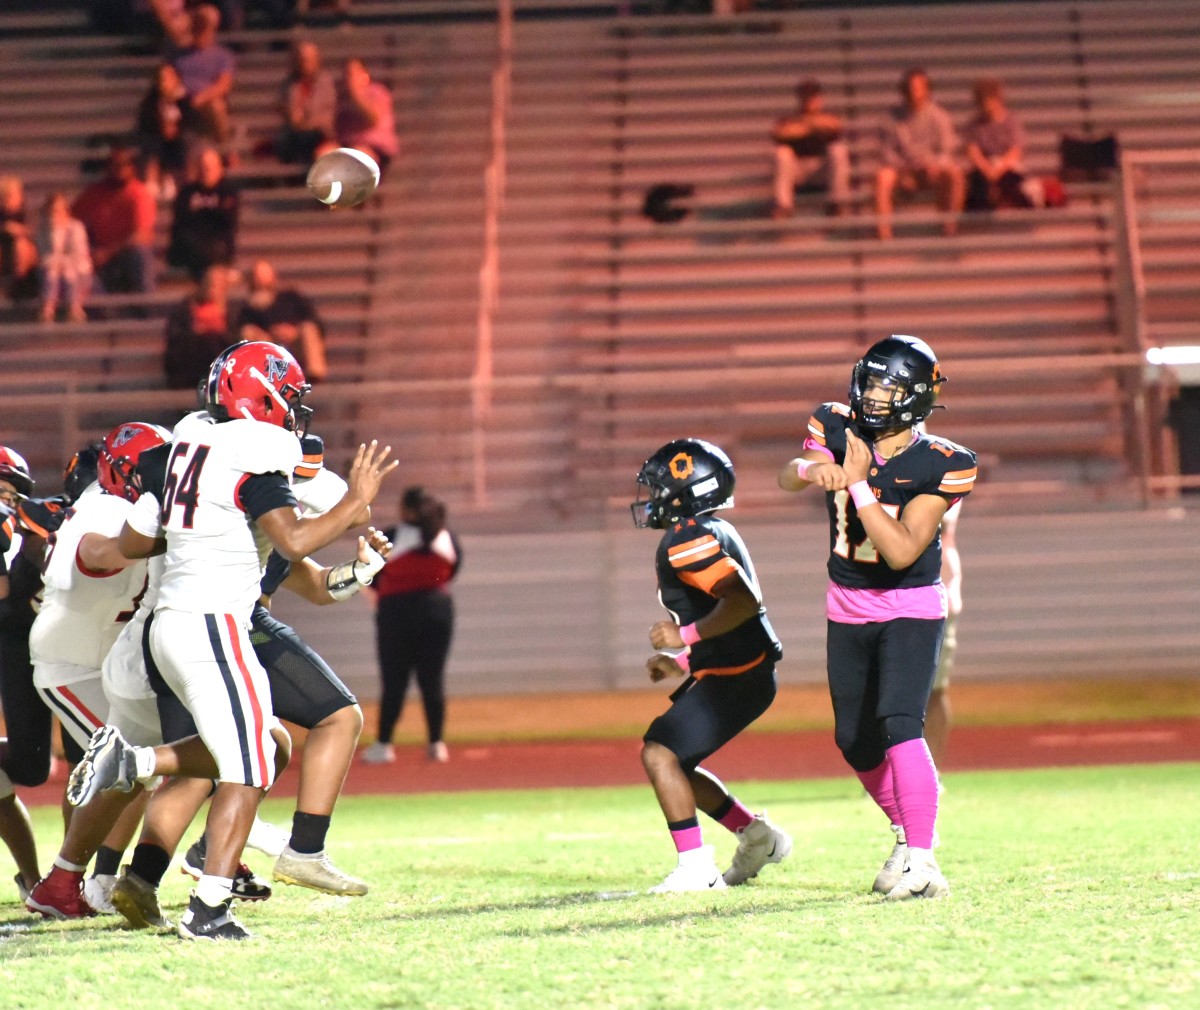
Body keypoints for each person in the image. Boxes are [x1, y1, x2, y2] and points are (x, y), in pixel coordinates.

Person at [69, 339, 397, 940]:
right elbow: (295, 540)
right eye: (289, 399)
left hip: (170, 624)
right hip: (215, 623)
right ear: (261, 395)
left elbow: (138, 543)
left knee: (246, 755)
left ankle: (166, 856)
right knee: (248, 765)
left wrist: (195, 534)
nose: (294, 414)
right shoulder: (256, 453)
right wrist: (355, 500)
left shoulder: (183, 446)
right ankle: (209, 904)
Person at [777, 334, 977, 900]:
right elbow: (793, 472)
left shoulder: (946, 461)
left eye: (888, 386)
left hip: (909, 603)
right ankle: (902, 832)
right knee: (853, 739)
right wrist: (809, 470)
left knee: (899, 723)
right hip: (846, 602)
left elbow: (902, 551)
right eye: (870, 381)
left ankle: (923, 860)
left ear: (915, 396)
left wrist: (859, 483)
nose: (873, 395)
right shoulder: (834, 423)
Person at [22, 423, 171, 920]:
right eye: (155, 464)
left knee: (131, 770)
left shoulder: (129, 507)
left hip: (103, 661)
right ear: (124, 470)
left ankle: (74, 883)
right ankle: (76, 882)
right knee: (131, 767)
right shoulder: (107, 508)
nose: (165, 474)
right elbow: (99, 555)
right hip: (70, 664)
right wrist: (169, 532)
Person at [631, 439, 792, 892]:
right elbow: (727, 614)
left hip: (739, 676)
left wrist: (685, 636)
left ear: (687, 491)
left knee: (660, 753)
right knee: (675, 760)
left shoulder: (688, 538)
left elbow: (742, 603)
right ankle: (757, 835)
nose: (653, 498)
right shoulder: (709, 529)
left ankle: (696, 868)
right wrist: (683, 659)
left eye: (661, 488)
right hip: (740, 670)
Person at [364, 487, 460, 764]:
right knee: (433, 679)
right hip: (438, 613)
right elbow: (454, 570)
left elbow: (370, 572)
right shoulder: (446, 537)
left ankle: (383, 745)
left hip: (396, 614)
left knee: (394, 681)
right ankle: (436, 744)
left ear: (407, 510)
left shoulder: (392, 537)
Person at [0, 447, 43, 902]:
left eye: (12, 492)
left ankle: (35, 880)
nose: (5, 500)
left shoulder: (26, 538)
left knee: (13, 785)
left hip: (31, 655)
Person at [874, 68, 964, 240]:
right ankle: (884, 233)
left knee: (955, 174)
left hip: (931, 170)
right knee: (882, 177)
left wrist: (935, 165)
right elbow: (887, 152)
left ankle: (949, 227)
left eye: (918, 87)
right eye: (910, 87)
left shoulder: (939, 116)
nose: (914, 91)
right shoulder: (890, 117)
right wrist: (903, 171)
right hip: (903, 170)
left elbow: (947, 149)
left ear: (927, 89)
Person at [71, 147, 157, 295]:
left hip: (126, 256)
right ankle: (105, 313)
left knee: (140, 253)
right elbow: (70, 220)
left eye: (124, 164)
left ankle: (147, 311)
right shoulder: (94, 193)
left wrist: (107, 253)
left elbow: (141, 235)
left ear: (132, 167)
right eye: (114, 164)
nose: (119, 169)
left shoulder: (139, 194)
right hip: (99, 256)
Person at [770, 78, 851, 219]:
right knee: (782, 153)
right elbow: (781, 132)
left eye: (814, 97)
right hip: (797, 171)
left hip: (821, 170)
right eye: (807, 97)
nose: (810, 101)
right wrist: (813, 125)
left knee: (838, 150)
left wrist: (804, 125)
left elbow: (835, 126)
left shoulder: (829, 116)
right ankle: (784, 206)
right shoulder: (789, 119)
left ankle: (837, 203)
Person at [236, 259, 328, 382]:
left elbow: (313, 319)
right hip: (269, 343)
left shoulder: (291, 297)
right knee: (249, 333)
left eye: (265, 275)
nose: (261, 279)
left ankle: (315, 376)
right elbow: (243, 329)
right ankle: (268, 380)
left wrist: (293, 331)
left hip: (295, 341)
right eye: (257, 276)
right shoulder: (248, 309)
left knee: (308, 328)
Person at [924, 499, 962, 766]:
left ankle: (932, 772)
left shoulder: (949, 469)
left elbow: (939, 520)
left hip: (937, 597)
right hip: (892, 598)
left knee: (935, 691)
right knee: (886, 694)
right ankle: (888, 778)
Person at [167, 146, 239, 283]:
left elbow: (228, 222)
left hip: (216, 244)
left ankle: (210, 280)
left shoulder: (228, 192)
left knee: (215, 248)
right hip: (190, 246)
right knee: (190, 242)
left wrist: (201, 214)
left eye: (210, 167)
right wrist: (212, 213)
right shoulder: (186, 193)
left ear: (219, 169)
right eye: (203, 167)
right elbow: (183, 223)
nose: (206, 172)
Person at [169, 4, 236, 149]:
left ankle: (224, 149)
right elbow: (168, 80)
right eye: (197, 29)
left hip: (207, 101)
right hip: (182, 101)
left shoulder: (223, 56)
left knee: (216, 106)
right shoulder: (178, 55)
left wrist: (202, 97)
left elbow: (224, 84)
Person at [963, 77, 1033, 213]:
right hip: (985, 167)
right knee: (976, 183)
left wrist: (999, 169)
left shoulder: (1012, 122)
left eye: (989, 100)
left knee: (1013, 181)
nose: (986, 105)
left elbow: (1016, 151)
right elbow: (973, 152)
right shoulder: (975, 125)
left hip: (1007, 167)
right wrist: (987, 170)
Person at [163, 264, 237, 391]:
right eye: (209, 282)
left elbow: (235, 341)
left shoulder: (231, 314)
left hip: (220, 361)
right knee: (207, 341)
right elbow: (174, 339)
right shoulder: (185, 309)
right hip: (190, 363)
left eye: (217, 283)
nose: (211, 286)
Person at [325, 59, 399, 176]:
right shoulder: (342, 97)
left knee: (357, 157)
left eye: (352, 73)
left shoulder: (377, 92)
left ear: (365, 75)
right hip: (348, 145)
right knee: (325, 154)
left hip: (375, 148)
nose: (348, 78)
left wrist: (355, 94)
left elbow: (372, 118)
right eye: (346, 74)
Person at [135, 63, 196, 205]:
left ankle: (185, 186)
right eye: (162, 79)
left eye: (168, 78)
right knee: (151, 144)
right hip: (158, 137)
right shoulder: (151, 100)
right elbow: (146, 121)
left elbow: (192, 121)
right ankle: (152, 184)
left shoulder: (185, 99)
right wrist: (162, 126)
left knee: (188, 144)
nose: (165, 82)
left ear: (176, 80)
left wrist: (176, 129)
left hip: (179, 140)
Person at [276, 40, 337, 167]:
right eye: (302, 59)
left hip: (318, 133)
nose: (305, 63)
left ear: (317, 60)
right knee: (284, 141)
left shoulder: (325, 83)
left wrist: (301, 121)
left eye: (308, 59)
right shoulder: (289, 84)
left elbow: (321, 115)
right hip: (295, 134)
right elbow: (283, 109)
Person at [35, 193, 93, 324]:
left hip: (77, 270)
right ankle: (48, 310)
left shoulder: (76, 228)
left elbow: (78, 254)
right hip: (53, 270)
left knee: (68, 271)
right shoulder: (43, 230)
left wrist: (61, 262)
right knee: (52, 272)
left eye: (58, 211)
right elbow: (43, 255)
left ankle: (74, 309)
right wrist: (56, 262)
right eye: (51, 211)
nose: (55, 215)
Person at [0, 175, 40, 303]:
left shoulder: (24, 214)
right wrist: (6, 228)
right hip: (4, 251)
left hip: (20, 259)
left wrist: (19, 231)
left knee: (22, 246)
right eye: (14, 195)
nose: (19, 198)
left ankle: (18, 283)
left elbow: (31, 232)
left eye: (19, 194)